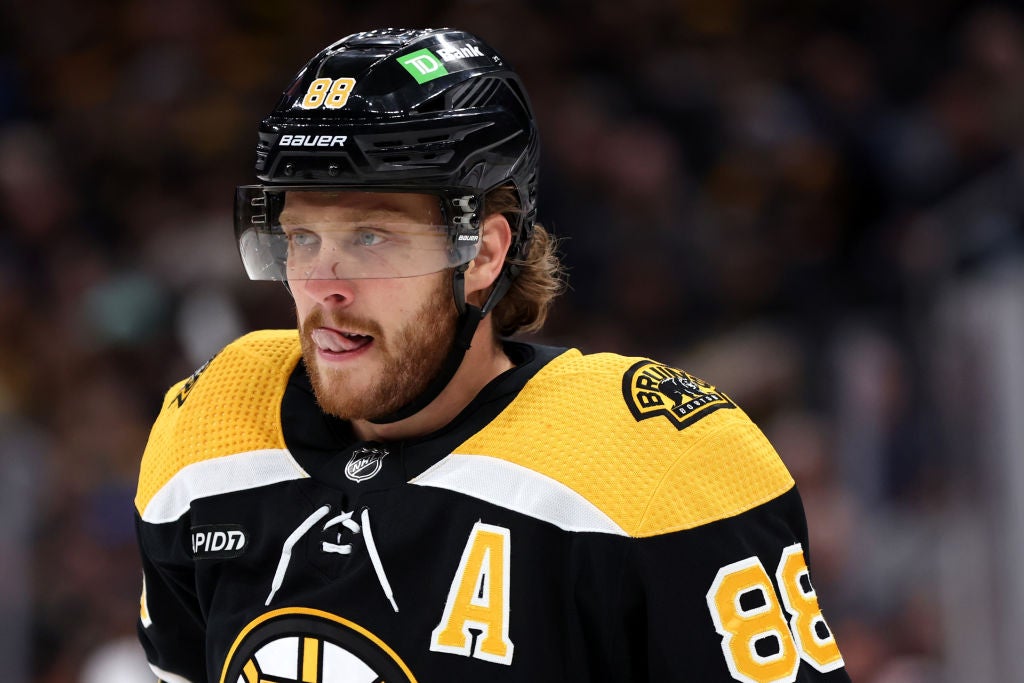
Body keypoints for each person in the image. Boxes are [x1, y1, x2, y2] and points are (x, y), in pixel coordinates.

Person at [134, 27, 851, 683]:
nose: (324, 286)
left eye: (371, 237)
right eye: (301, 237)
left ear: (483, 253)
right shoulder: (210, 431)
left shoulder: (653, 464)